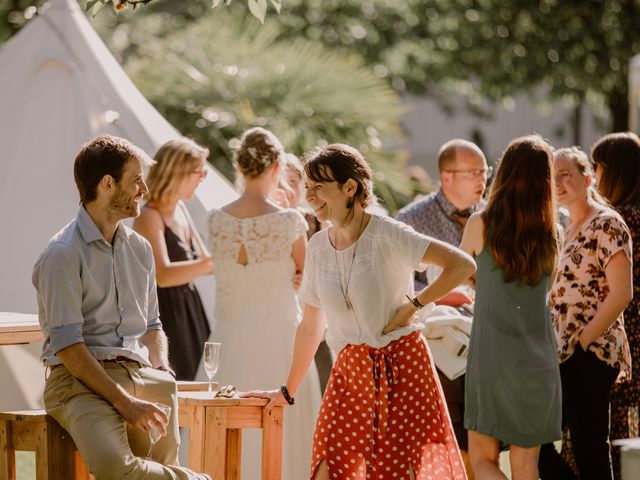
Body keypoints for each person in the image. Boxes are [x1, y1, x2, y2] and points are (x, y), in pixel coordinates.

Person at [246, 143, 475, 479]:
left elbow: (461, 264)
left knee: (395, 473)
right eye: (307, 188)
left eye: (319, 187)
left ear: (349, 187)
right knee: (328, 467)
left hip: (402, 366)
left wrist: (415, 305)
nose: (309, 196)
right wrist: (287, 390)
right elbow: (311, 326)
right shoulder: (318, 247)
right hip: (349, 373)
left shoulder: (388, 233)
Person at [32, 135, 210, 480]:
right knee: (116, 469)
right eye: (136, 180)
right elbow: (68, 347)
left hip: (142, 375)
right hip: (78, 382)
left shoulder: (140, 249)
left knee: (160, 468)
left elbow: (153, 325)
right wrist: (124, 402)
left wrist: (163, 371)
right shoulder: (61, 255)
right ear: (108, 184)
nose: (144, 189)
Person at [207, 127, 322, 480]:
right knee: (286, 434)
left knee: (222, 432)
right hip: (281, 341)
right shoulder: (289, 221)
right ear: (276, 169)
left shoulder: (216, 219)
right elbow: (309, 279)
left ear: (239, 168)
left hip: (228, 340)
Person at [459, 135, 562, 479]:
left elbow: (464, 273)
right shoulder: (552, 233)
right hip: (537, 359)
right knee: (526, 465)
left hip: (491, 357)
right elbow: (545, 286)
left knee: (484, 460)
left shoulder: (480, 224)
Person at [538, 146, 633, 480]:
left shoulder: (607, 223)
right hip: (562, 353)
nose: (559, 182)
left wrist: (582, 343)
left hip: (591, 352)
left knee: (589, 446)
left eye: (567, 174)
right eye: (553, 176)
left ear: (589, 178)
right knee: (537, 444)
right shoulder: (564, 228)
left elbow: (622, 292)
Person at [396, 138, 489, 473]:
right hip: (438, 344)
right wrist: (446, 293)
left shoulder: (490, 215)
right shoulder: (411, 219)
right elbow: (400, 283)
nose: (483, 179)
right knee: (446, 428)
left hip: (486, 335)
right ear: (447, 176)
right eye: (474, 172)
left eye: (485, 171)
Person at [133, 138, 213, 381]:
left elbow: (205, 261)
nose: (202, 178)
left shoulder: (181, 209)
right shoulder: (149, 216)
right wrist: (217, 262)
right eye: (200, 172)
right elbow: (164, 275)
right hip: (166, 314)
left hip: (189, 308)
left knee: (199, 379)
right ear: (177, 173)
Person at [591, 132, 640, 480]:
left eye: (596, 167)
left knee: (618, 434)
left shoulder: (614, 223)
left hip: (623, 331)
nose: (592, 176)